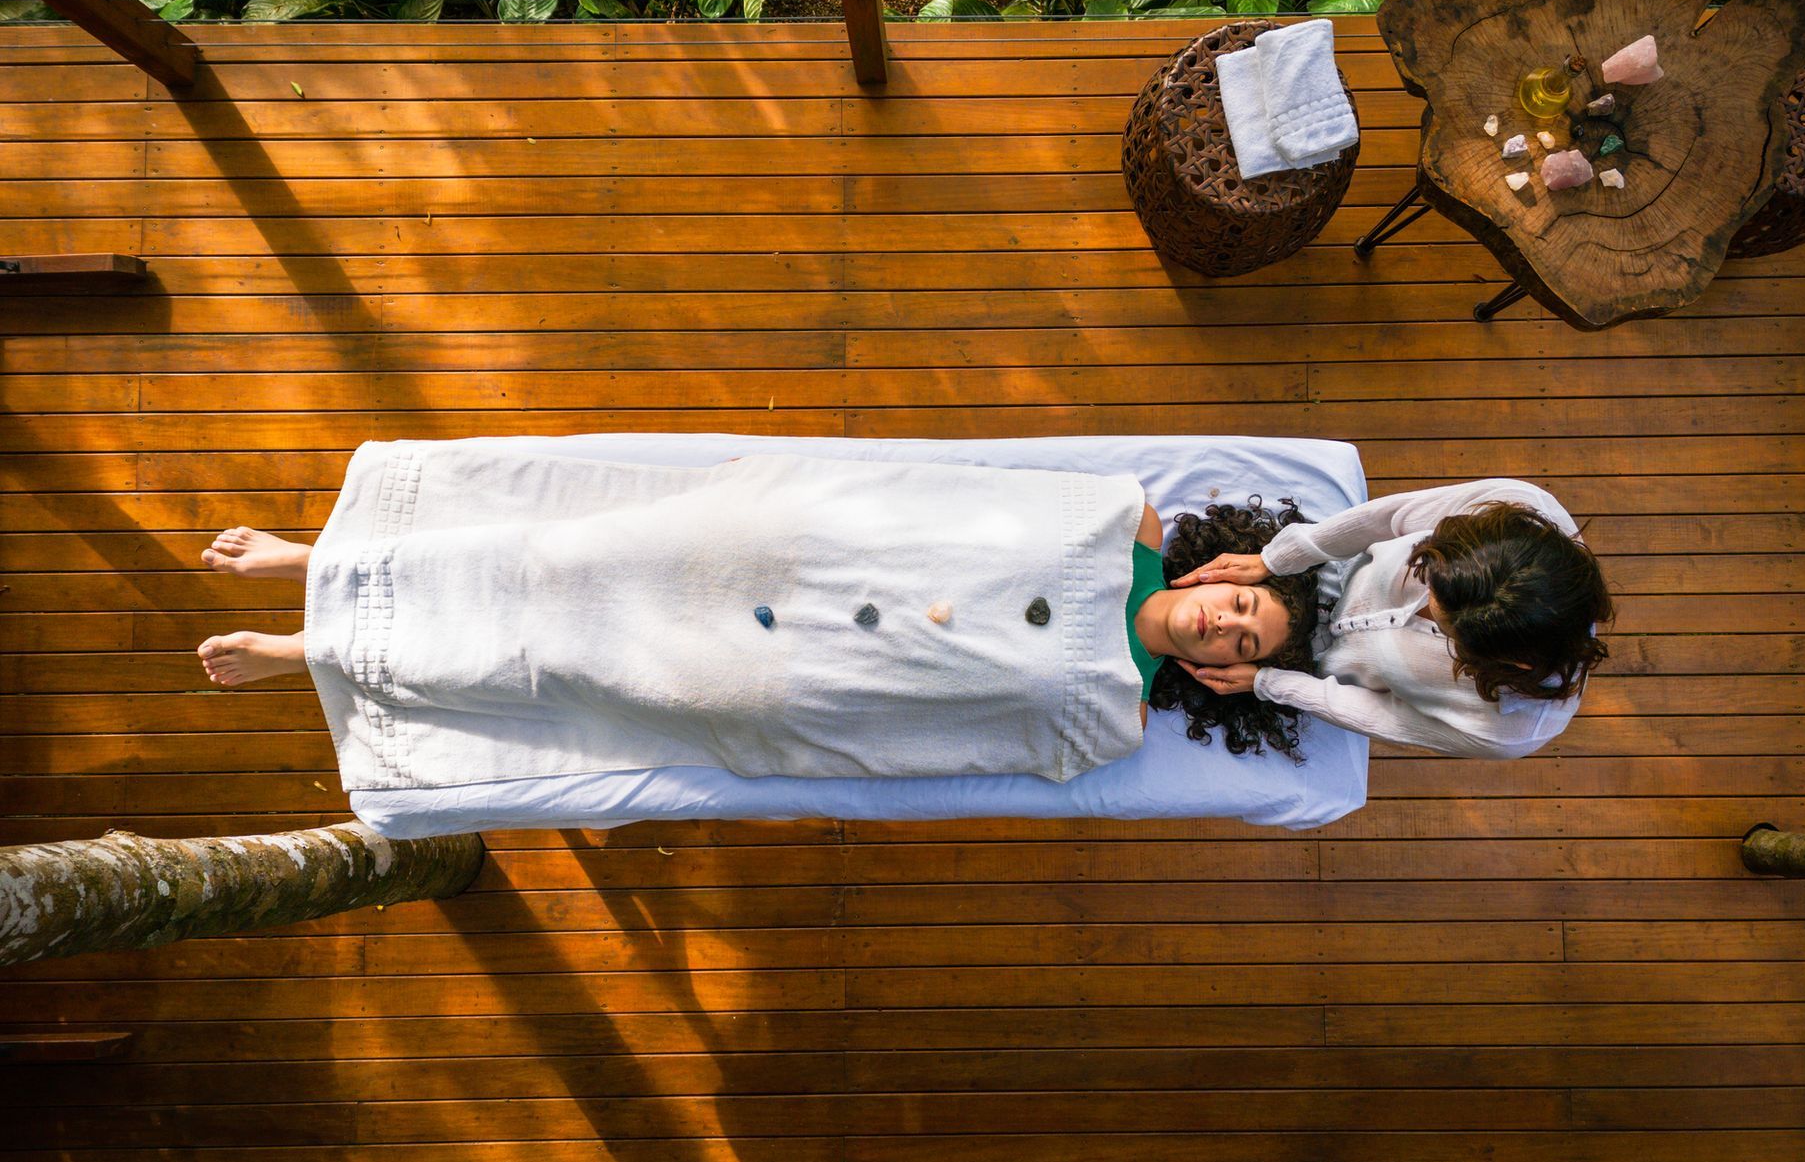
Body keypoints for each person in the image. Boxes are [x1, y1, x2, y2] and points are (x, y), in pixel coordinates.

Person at [195, 489, 1320, 760]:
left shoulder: (1107, 719)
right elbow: (956, 495)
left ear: (1227, 681)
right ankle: (321, 558)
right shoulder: (1122, 515)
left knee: (567, 662)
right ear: (1227, 566)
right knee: (556, 556)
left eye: (1245, 648)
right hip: (805, 551)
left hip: (793, 670)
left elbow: (939, 741)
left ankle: (318, 647)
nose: (1227, 629)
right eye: (1242, 604)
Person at [1169, 479, 1612, 760]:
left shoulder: (1508, 730)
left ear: (1501, 663)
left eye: (1439, 618)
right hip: (1328, 569)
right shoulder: (1515, 506)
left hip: (1318, 668)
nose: (1225, 622)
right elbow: (1387, 518)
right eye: (1423, 577)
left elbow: (1380, 716)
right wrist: (1276, 559)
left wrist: (1269, 683)